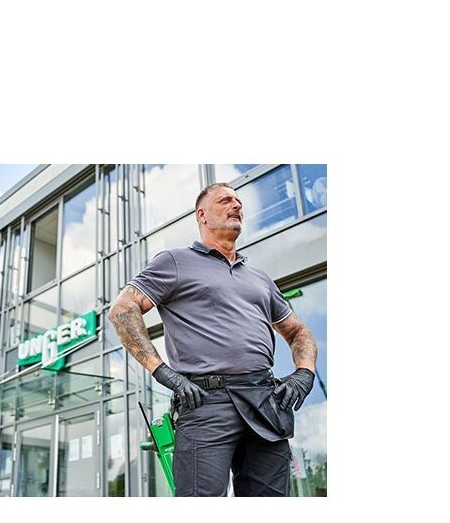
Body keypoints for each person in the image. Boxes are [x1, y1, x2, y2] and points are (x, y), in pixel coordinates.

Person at [108, 182, 318, 497]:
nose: (236, 205)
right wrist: (162, 371)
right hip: (206, 403)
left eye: (238, 201)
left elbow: (298, 331)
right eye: (225, 200)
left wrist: (305, 372)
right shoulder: (175, 261)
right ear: (202, 215)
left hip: (265, 401)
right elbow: (122, 310)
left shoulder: (260, 279)